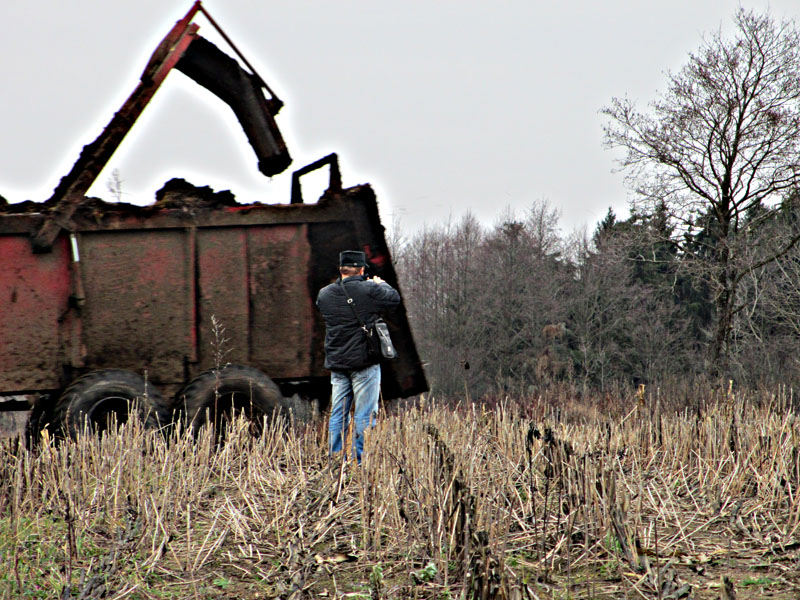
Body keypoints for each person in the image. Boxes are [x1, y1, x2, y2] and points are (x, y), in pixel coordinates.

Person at [316, 250, 400, 463]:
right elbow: (394, 298)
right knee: (364, 414)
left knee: (338, 413)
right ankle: (358, 461)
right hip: (364, 362)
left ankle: (335, 459)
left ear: (341, 269)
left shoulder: (324, 294)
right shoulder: (370, 289)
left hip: (337, 363)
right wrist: (380, 283)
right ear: (362, 270)